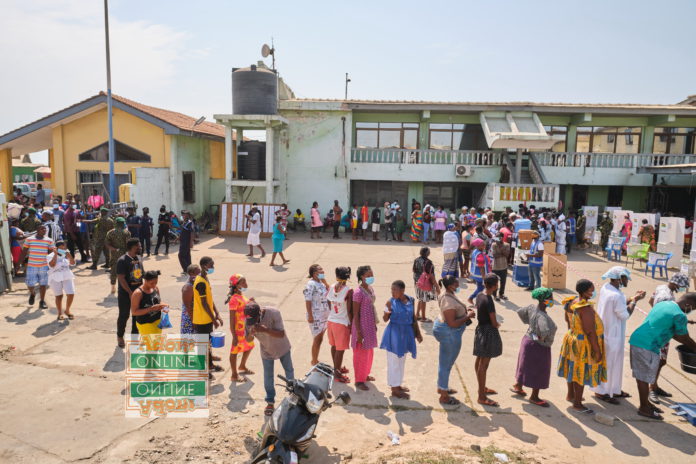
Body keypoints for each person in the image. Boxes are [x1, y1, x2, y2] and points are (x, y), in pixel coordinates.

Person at [629, 294, 696, 420]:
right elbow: (683, 337)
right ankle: (644, 408)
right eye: (693, 308)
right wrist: (694, 347)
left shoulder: (663, 304)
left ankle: (646, 404)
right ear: (688, 304)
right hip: (647, 345)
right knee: (643, 378)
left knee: (643, 377)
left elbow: (674, 333)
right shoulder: (679, 315)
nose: (691, 311)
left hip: (639, 340)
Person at [591, 266, 645, 403]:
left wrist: (632, 298)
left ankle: (614, 389)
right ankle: (601, 392)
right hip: (612, 335)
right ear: (619, 279)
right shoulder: (616, 295)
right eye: (626, 278)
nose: (627, 281)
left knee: (615, 364)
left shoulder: (607, 288)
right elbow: (625, 315)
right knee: (609, 364)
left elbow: (619, 303)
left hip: (608, 332)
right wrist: (635, 301)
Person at [557, 279, 607, 414]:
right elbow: (590, 331)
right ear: (584, 292)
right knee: (581, 371)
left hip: (572, 338)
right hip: (583, 344)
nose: (593, 293)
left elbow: (567, 320)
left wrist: (573, 334)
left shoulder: (571, 302)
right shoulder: (585, 308)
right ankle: (578, 404)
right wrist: (597, 351)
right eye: (591, 290)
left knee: (572, 368)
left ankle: (571, 395)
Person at [244, 302, 294, 417]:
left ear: (260, 313)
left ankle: (293, 396)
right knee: (268, 376)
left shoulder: (274, 313)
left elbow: (281, 334)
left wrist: (265, 330)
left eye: (255, 320)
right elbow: (248, 340)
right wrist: (251, 334)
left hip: (282, 347)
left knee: (289, 371)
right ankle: (270, 402)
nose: (253, 323)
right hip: (266, 351)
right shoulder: (249, 320)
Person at [646, 272, 690, 403]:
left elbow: (650, 301)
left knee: (661, 361)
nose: (681, 289)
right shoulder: (667, 297)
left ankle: (655, 385)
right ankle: (651, 389)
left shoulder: (661, 288)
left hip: (659, 327)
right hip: (661, 333)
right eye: (681, 286)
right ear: (676, 284)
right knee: (659, 361)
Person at [511, 287, 557, 407]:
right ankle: (534, 397)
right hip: (538, 346)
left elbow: (520, 312)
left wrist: (531, 328)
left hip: (527, 340)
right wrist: (539, 338)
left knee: (524, 365)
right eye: (551, 298)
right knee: (539, 370)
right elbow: (544, 332)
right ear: (544, 300)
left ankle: (518, 386)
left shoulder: (532, 308)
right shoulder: (542, 317)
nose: (553, 300)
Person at [434, 275, 476, 405]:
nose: (458, 284)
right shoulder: (448, 301)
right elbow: (452, 323)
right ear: (450, 285)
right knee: (446, 364)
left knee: (446, 363)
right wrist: (468, 316)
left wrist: (465, 310)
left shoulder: (448, 293)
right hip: (449, 333)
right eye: (456, 283)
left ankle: (442, 387)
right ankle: (444, 396)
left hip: (449, 332)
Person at [380, 280, 422, 399]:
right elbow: (384, 319)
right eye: (391, 289)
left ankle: (397, 384)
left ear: (402, 290)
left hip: (406, 334)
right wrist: (387, 312)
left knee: (401, 360)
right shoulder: (390, 302)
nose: (392, 292)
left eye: (395, 290)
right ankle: (394, 389)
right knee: (393, 361)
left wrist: (417, 333)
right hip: (394, 335)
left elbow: (413, 318)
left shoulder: (411, 300)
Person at [473, 274, 502, 407]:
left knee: (479, 360)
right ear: (495, 286)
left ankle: (482, 387)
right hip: (488, 332)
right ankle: (481, 396)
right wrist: (497, 325)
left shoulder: (480, 295)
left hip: (480, 330)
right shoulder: (489, 300)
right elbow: (494, 321)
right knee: (484, 365)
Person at [193, 256, 224, 379]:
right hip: (202, 320)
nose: (213, 267)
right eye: (211, 265)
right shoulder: (200, 282)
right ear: (204, 266)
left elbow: (210, 299)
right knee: (203, 346)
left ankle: (210, 365)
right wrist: (214, 320)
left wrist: (217, 313)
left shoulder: (205, 278)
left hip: (207, 318)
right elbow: (204, 303)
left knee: (208, 344)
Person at [352, 265, 378, 391]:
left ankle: (365, 374)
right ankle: (359, 380)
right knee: (360, 354)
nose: (371, 277)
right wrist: (358, 332)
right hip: (361, 327)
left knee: (369, 352)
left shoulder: (370, 288)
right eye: (368, 275)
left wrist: (374, 324)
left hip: (369, 326)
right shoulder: (358, 293)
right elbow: (355, 314)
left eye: (372, 275)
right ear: (362, 277)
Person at [326, 266, 353, 383]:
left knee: (334, 346)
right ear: (348, 276)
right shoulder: (348, 290)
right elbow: (349, 310)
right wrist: (351, 323)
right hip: (342, 323)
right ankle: (337, 374)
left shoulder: (332, 287)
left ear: (337, 276)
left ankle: (336, 368)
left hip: (331, 321)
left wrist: (333, 312)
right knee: (340, 350)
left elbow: (328, 301)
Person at [227, 274, 255, 383]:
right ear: (236, 285)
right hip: (238, 331)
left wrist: (250, 302)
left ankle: (242, 365)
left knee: (250, 345)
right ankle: (234, 374)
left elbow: (244, 307)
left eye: (245, 281)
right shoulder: (234, 299)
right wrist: (234, 336)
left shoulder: (241, 295)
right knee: (234, 351)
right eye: (243, 282)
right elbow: (231, 319)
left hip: (246, 329)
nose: (246, 284)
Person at [115, 238, 143, 347]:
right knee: (124, 315)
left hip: (138, 292)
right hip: (125, 294)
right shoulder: (122, 260)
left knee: (137, 315)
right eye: (138, 246)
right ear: (133, 247)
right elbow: (121, 279)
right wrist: (130, 292)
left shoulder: (139, 258)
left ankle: (135, 337)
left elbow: (141, 274)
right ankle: (120, 336)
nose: (140, 247)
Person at [21, 224, 53, 309]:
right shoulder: (29, 239)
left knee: (43, 284)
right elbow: (24, 252)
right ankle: (32, 293)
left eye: (45, 229)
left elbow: (52, 253)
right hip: (32, 265)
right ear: (37, 230)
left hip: (44, 266)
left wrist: (52, 265)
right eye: (42, 229)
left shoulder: (49, 240)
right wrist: (18, 264)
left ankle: (42, 301)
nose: (44, 230)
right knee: (30, 284)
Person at [303, 264, 330, 366]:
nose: (323, 271)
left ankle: (315, 360)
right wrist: (310, 315)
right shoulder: (310, 284)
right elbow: (308, 300)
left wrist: (325, 282)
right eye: (320, 270)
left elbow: (330, 292)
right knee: (317, 339)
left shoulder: (321, 283)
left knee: (320, 338)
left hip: (324, 315)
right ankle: (314, 361)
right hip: (316, 316)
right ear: (314, 273)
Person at [130, 270, 169, 335]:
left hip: (157, 321)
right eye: (152, 283)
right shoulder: (138, 293)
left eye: (156, 282)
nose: (154, 285)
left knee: (157, 341)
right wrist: (151, 309)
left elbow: (158, 301)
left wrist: (164, 305)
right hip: (145, 324)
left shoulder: (155, 288)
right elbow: (134, 312)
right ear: (145, 281)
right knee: (151, 341)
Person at [47, 240, 76, 320]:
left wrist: (69, 255)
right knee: (59, 296)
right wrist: (55, 254)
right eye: (61, 248)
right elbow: (52, 265)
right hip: (55, 277)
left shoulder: (66, 254)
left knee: (71, 293)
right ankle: (60, 313)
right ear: (56, 248)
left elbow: (73, 263)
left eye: (64, 248)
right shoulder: (50, 256)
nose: (63, 250)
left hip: (67, 275)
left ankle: (67, 310)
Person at [412, 247, 438, 322]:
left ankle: (417, 315)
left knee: (420, 298)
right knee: (423, 300)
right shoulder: (428, 262)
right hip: (424, 283)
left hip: (417, 282)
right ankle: (423, 318)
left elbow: (414, 270)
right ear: (427, 253)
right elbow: (431, 276)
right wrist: (436, 286)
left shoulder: (417, 260)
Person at [107, 217, 132, 294]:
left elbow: (107, 244)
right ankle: (124, 287)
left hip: (114, 255)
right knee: (125, 271)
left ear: (116, 223)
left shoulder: (110, 232)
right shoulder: (127, 232)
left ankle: (113, 287)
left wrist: (114, 249)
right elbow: (129, 244)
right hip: (124, 255)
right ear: (123, 223)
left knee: (113, 271)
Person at [467, 238, 491, 305]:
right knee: (480, 288)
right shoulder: (479, 255)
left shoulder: (475, 251)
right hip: (480, 275)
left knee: (480, 288)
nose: (484, 246)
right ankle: (471, 298)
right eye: (482, 245)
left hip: (476, 274)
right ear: (478, 246)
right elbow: (481, 268)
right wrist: (484, 278)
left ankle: (477, 300)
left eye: (484, 244)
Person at [181, 264, 201, 334]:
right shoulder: (188, 287)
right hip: (190, 319)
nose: (199, 274)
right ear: (191, 274)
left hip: (197, 315)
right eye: (197, 273)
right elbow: (188, 308)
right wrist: (193, 321)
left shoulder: (196, 283)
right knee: (190, 338)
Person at [491, 233, 510, 301]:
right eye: (496, 237)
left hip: (504, 266)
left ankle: (501, 294)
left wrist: (500, 247)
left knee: (503, 282)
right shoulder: (494, 245)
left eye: (499, 237)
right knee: (495, 282)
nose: (497, 239)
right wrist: (502, 252)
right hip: (495, 267)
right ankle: (495, 295)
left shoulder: (507, 245)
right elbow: (494, 255)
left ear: (502, 238)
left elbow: (507, 255)